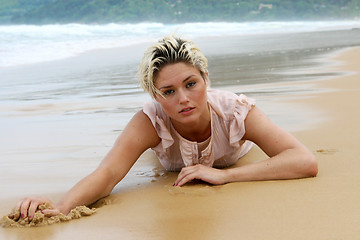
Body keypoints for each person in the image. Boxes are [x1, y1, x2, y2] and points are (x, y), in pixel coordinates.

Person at [14, 35, 318, 221]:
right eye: (168, 91)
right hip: (168, 158)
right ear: (155, 96)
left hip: (231, 157)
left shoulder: (236, 112)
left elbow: (303, 160)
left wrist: (225, 175)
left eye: (191, 84)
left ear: (206, 79)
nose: (184, 99)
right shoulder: (150, 120)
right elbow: (107, 175)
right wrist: (62, 206)